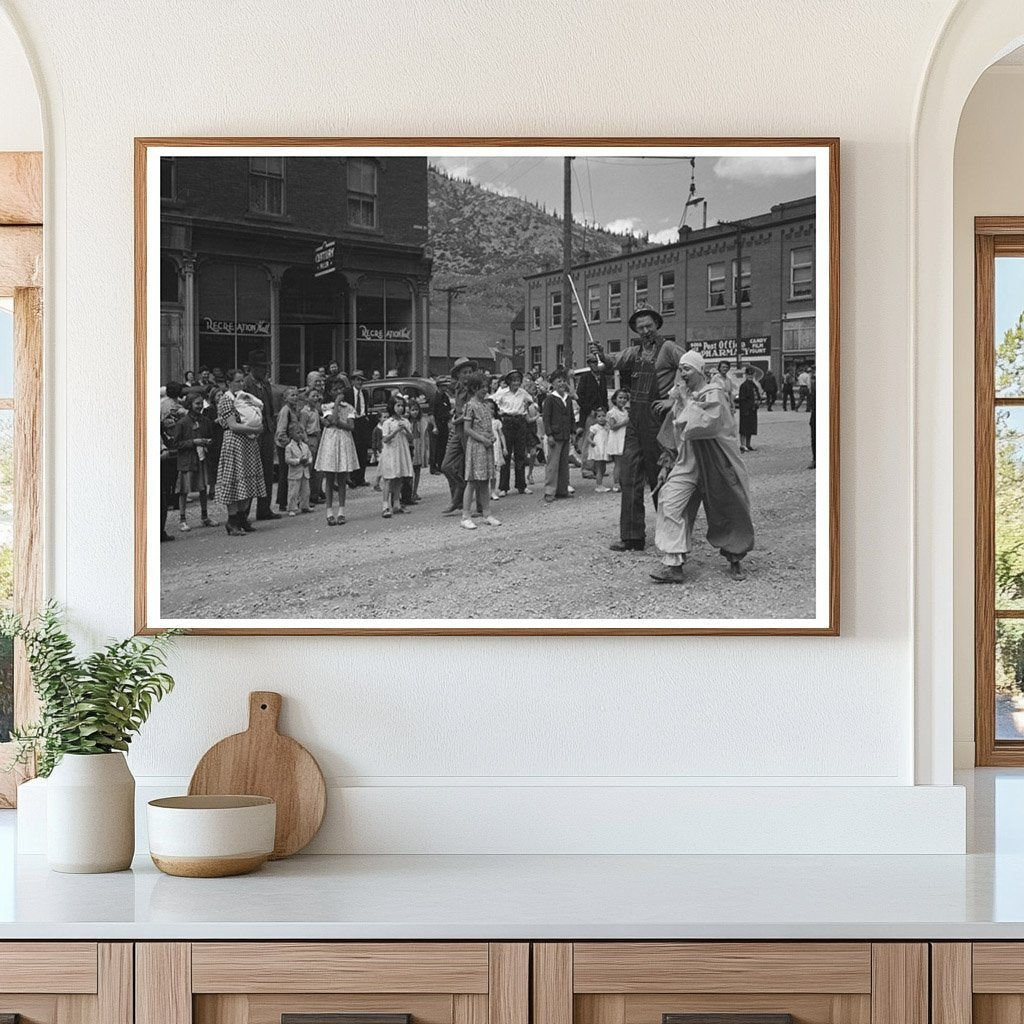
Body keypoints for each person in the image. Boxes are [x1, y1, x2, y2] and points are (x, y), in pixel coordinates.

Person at [651, 350, 755, 583]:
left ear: (699, 370)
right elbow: (673, 431)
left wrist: (684, 400)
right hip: (688, 462)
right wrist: (666, 463)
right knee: (670, 500)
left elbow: (704, 425)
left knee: (728, 506)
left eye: (686, 369)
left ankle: (735, 557)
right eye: (680, 369)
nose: (682, 373)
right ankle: (674, 565)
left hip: (715, 461)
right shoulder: (681, 395)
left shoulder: (714, 393)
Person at [590, 305, 684, 551]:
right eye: (640, 327)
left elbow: (692, 368)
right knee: (629, 476)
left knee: (660, 478)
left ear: (656, 325)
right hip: (635, 421)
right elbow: (612, 362)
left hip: (658, 422)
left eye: (648, 326)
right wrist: (600, 353)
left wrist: (673, 398)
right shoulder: (634, 352)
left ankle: (669, 538)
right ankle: (632, 537)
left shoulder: (669, 349)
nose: (645, 331)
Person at [215, 369, 266, 536]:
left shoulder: (244, 397)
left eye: (242, 381)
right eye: (237, 381)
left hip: (249, 441)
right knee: (235, 480)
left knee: (248, 479)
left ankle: (243, 518)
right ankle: (233, 521)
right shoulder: (226, 400)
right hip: (235, 441)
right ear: (229, 383)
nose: (241, 384)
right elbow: (233, 425)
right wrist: (254, 428)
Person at [241, 350, 279, 520]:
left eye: (265, 367)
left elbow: (271, 406)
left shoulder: (265, 383)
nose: (264, 371)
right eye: (261, 367)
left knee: (267, 470)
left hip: (267, 429)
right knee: (251, 471)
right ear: (252, 368)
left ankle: (264, 509)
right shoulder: (246, 384)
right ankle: (244, 512)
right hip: (253, 432)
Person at [460, 372, 500, 529]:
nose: (485, 390)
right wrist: (483, 439)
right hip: (477, 447)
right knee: (472, 481)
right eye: (482, 387)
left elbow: (487, 426)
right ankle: (465, 516)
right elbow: (467, 429)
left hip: (486, 446)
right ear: (474, 388)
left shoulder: (484, 405)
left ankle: (487, 514)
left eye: (486, 387)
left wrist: (491, 437)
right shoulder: (471, 406)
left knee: (485, 481)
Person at [315, 386, 359, 526]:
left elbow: (351, 426)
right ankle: (329, 511)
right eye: (335, 390)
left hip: (344, 440)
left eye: (340, 391)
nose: (339, 393)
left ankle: (341, 511)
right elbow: (332, 419)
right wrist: (336, 409)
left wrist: (338, 423)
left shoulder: (349, 407)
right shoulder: (326, 406)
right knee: (329, 478)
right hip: (331, 441)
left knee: (342, 478)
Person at [172, 393, 216, 530]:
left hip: (201, 458)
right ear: (190, 405)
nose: (200, 406)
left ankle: (204, 516)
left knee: (203, 488)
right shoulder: (182, 423)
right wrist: (193, 442)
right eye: (197, 404)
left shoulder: (205, 421)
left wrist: (208, 442)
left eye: (201, 403)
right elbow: (176, 444)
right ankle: (182, 519)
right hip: (187, 460)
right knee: (184, 490)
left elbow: (211, 437)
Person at [440, 356, 478, 515]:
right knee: (446, 466)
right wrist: (454, 416)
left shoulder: (473, 390)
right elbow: (458, 408)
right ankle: (458, 495)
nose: (468, 374)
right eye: (465, 372)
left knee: (473, 467)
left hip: (470, 429)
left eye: (470, 371)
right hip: (458, 431)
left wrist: (457, 419)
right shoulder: (457, 388)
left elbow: (472, 411)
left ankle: (476, 504)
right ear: (458, 375)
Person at [493, 369, 534, 495]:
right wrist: (498, 413)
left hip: (520, 421)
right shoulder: (503, 393)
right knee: (506, 454)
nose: (516, 383)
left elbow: (531, 400)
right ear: (509, 382)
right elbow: (492, 401)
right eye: (513, 381)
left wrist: (526, 407)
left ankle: (521, 485)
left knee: (520, 454)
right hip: (507, 421)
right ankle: (504, 487)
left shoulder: (523, 393)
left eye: (518, 381)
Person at [541, 367, 575, 503]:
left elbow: (571, 416)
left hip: (566, 434)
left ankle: (562, 489)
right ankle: (550, 490)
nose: (561, 384)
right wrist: (549, 434)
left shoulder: (568, 399)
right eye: (558, 381)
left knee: (564, 464)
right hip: (555, 435)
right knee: (553, 464)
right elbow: (546, 418)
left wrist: (573, 432)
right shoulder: (550, 399)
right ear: (553, 384)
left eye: (563, 381)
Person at [378, 395, 413, 519]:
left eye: (402, 406)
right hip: (391, 453)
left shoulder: (405, 421)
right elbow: (385, 439)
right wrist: (396, 431)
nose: (400, 408)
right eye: (398, 405)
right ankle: (385, 505)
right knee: (388, 479)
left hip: (401, 451)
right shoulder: (388, 422)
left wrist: (406, 430)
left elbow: (411, 438)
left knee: (399, 478)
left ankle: (397, 503)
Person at [274, 386, 301, 512]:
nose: (295, 397)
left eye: (296, 395)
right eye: (292, 395)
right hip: (285, 446)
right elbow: (281, 432)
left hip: (293, 444)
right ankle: (282, 502)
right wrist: (289, 445)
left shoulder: (295, 410)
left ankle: (292, 499)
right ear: (285, 398)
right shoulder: (285, 411)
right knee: (285, 473)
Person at [347, 369, 373, 486]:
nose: (359, 382)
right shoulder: (348, 393)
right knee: (353, 450)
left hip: (362, 421)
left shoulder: (365, 393)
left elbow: (365, 408)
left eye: (361, 380)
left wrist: (365, 418)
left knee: (363, 451)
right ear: (353, 381)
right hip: (353, 421)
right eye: (357, 380)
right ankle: (353, 477)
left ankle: (361, 477)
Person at [299, 388, 324, 503]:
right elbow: (302, 428)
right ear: (307, 398)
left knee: (317, 469)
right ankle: (306, 498)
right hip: (310, 439)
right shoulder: (305, 412)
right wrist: (306, 442)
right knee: (309, 468)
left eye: (317, 396)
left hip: (317, 438)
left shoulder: (315, 411)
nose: (316, 398)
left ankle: (315, 494)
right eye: (313, 396)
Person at [283, 421, 312, 516]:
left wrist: (308, 461)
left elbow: (310, 456)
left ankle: (305, 506)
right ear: (291, 434)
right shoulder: (289, 447)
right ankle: (292, 507)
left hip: (304, 471)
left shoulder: (305, 446)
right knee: (293, 492)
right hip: (294, 473)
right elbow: (287, 460)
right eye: (297, 433)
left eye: (301, 432)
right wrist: (299, 460)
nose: (300, 435)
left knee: (306, 490)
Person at [605, 388, 629, 492]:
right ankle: (616, 483)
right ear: (615, 399)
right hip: (617, 438)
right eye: (620, 397)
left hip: (624, 437)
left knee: (624, 461)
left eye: (624, 398)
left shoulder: (625, 411)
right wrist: (625, 422)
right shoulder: (612, 412)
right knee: (618, 462)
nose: (622, 400)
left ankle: (623, 481)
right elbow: (612, 426)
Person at [407, 398, 431, 503]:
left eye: (416, 409)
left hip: (419, 445)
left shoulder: (422, 421)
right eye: (412, 410)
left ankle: (414, 491)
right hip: (411, 446)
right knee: (410, 471)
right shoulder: (407, 422)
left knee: (417, 470)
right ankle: (409, 492)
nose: (415, 412)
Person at [430, 377, 452, 474]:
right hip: (437, 423)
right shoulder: (435, 398)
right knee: (435, 447)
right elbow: (431, 414)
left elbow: (448, 409)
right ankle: (433, 467)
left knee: (442, 446)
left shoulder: (445, 397)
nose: (446, 387)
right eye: (444, 385)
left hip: (444, 423)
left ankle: (440, 466)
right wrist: (434, 426)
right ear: (439, 386)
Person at [737, 366, 761, 452]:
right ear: (746, 375)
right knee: (744, 428)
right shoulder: (744, 385)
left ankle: (748, 444)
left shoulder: (753, 384)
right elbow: (742, 399)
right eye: (749, 374)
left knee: (751, 428)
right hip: (746, 409)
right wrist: (745, 409)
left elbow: (757, 395)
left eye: (752, 374)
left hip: (753, 409)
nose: (750, 376)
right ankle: (742, 445)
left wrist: (758, 402)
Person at [589, 407, 611, 492]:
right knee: (599, 468)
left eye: (603, 416)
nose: (601, 418)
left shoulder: (607, 427)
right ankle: (599, 485)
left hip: (604, 448)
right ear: (595, 418)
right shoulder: (594, 427)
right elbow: (589, 437)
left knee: (603, 467)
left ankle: (600, 483)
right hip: (598, 449)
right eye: (599, 416)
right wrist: (592, 442)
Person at [488, 398, 506, 501]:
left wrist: (505, 447)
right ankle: (485, 491)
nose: (490, 411)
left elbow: (501, 435)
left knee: (494, 471)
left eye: (492, 409)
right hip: (487, 446)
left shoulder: (497, 422)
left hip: (496, 447)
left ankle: (493, 490)